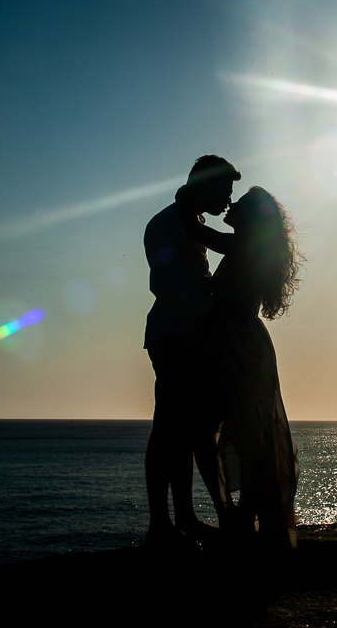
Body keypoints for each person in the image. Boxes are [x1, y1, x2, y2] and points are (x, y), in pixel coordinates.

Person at [178, 185, 303, 551]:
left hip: (237, 345)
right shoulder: (251, 249)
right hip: (243, 343)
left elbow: (202, 234)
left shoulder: (243, 247)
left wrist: (185, 205)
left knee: (233, 431)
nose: (231, 204)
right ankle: (242, 516)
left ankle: (241, 517)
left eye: (241, 204)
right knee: (244, 432)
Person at [142, 155, 240, 547]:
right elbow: (164, 285)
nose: (228, 201)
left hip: (193, 339)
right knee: (168, 428)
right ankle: (161, 525)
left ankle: (183, 518)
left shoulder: (193, 222)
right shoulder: (166, 224)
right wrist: (212, 307)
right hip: (173, 337)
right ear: (207, 186)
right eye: (225, 191)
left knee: (184, 430)